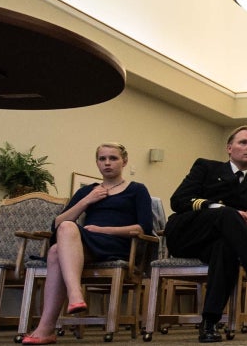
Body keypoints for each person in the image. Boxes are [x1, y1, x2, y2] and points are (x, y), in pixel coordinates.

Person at [164, 126, 247, 343]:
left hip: (222, 241)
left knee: (226, 250)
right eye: (244, 142)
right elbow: (178, 200)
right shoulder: (206, 167)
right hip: (188, 234)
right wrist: (217, 208)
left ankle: (209, 323)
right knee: (226, 214)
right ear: (229, 148)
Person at [21, 143, 153, 345]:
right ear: (97, 162)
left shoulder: (137, 190)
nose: (107, 163)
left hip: (116, 244)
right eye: (102, 159)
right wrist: (87, 200)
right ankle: (71, 299)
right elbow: (56, 224)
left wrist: (102, 230)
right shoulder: (87, 192)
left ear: (124, 161)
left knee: (57, 250)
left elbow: (142, 227)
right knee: (60, 238)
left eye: (113, 158)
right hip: (87, 244)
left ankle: (50, 323)